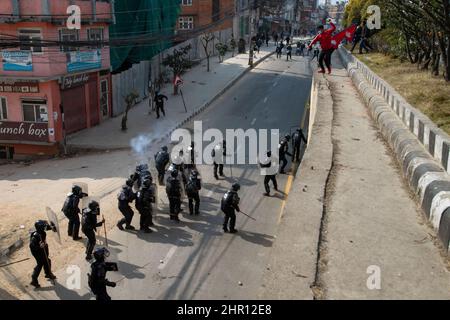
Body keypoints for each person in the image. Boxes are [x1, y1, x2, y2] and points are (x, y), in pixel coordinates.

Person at [30, 220, 57, 288]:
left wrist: (52, 227)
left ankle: (48, 274)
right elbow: (31, 246)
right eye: (43, 226)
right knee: (40, 264)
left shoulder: (41, 231)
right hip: (37, 252)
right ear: (40, 228)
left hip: (43, 249)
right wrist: (40, 246)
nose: (45, 227)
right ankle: (34, 279)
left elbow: (47, 228)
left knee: (47, 261)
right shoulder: (35, 236)